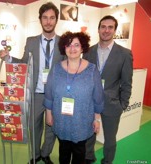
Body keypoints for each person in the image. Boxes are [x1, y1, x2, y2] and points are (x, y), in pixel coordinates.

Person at [0, 2, 64, 164]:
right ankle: (35, 155)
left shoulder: (64, 42)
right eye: (45, 18)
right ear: (40, 20)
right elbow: (23, 63)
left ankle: (45, 153)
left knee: (52, 128)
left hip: (56, 95)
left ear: (56, 20)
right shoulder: (31, 41)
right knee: (33, 127)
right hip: (35, 94)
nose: (48, 21)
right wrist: (8, 58)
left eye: (52, 18)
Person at [44, 31, 104, 164]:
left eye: (76, 45)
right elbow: (49, 93)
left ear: (82, 48)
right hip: (61, 120)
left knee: (79, 154)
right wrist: (49, 114)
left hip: (82, 121)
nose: (73, 49)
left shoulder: (92, 70)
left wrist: (97, 119)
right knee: (63, 153)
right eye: (69, 45)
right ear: (64, 48)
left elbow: (98, 97)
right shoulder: (56, 69)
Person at [83, 15, 133, 164]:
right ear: (98, 29)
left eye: (110, 27)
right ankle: (88, 157)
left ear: (115, 30)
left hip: (112, 104)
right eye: (103, 27)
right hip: (90, 103)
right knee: (89, 136)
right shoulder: (88, 52)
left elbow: (127, 82)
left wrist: (122, 105)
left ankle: (107, 162)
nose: (106, 30)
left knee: (110, 140)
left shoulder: (124, 54)